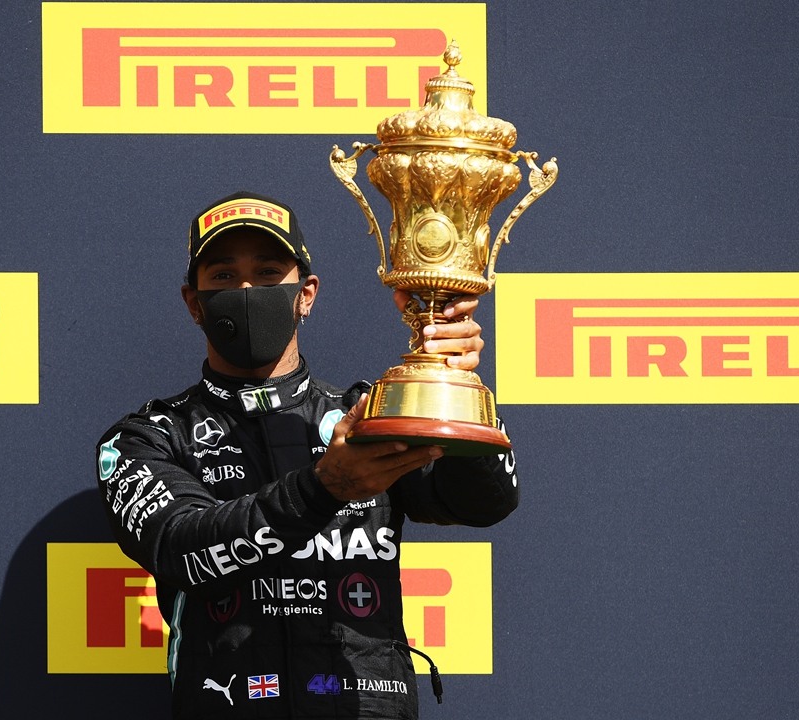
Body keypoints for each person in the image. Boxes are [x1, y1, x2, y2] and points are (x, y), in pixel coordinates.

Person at [96, 191, 518, 719]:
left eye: (268, 273)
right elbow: (184, 550)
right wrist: (323, 489)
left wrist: (454, 388)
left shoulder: (368, 416)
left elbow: (483, 501)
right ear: (194, 303)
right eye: (224, 276)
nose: (247, 291)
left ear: (306, 294)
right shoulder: (149, 437)